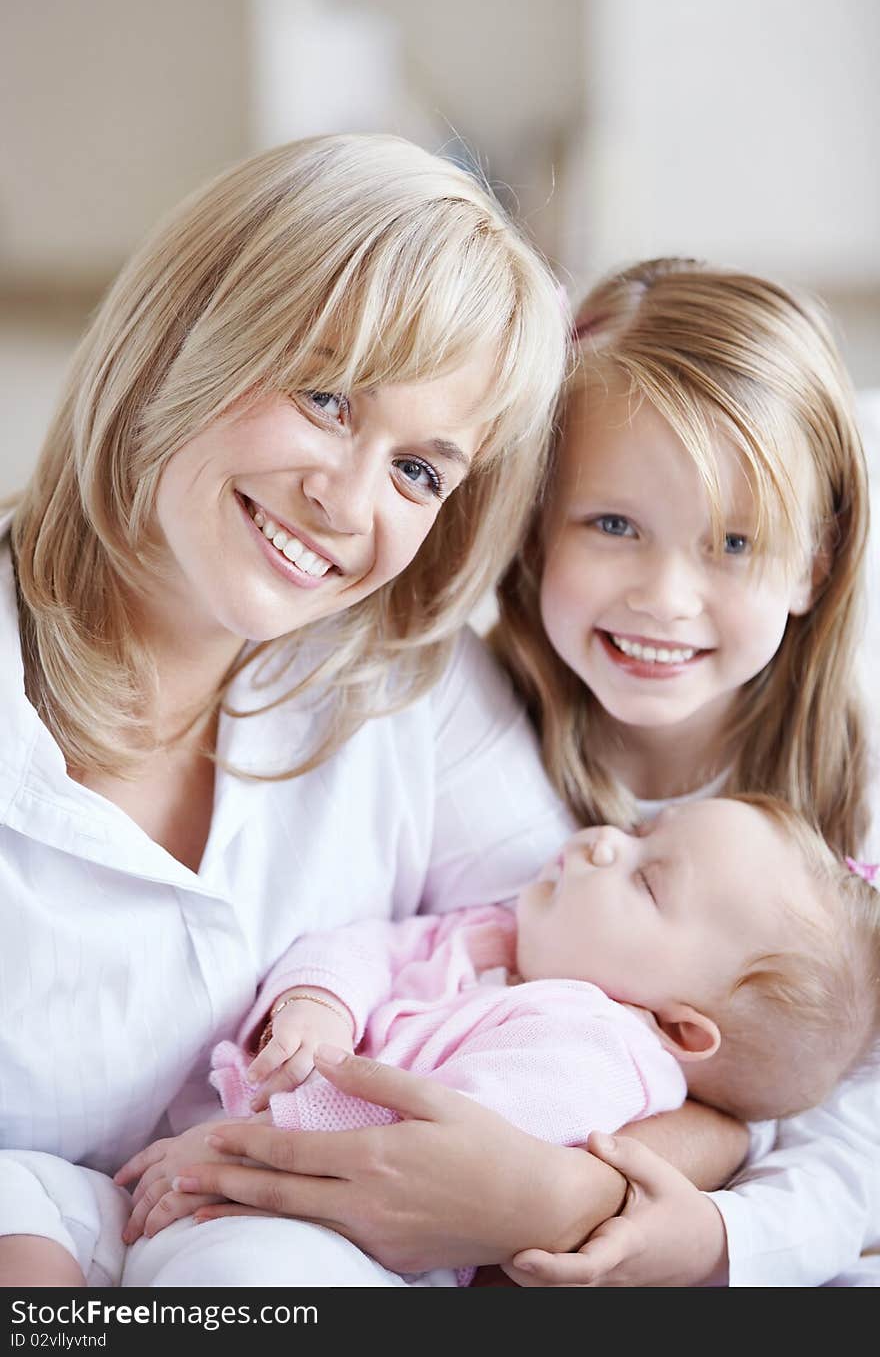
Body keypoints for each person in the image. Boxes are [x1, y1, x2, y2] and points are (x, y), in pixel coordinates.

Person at [167, 259, 880, 1288]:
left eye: (733, 542)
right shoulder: (458, 728)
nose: (665, 598)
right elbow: (391, 967)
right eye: (614, 525)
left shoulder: (848, 801)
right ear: (534, 528)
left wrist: (706, 1231)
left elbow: (856, 1138)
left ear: (812, 563)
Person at [0, 131, 584, 1288]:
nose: (346, 501)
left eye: (421, 470)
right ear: (188, 335)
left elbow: (648, 991)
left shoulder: (410, 687)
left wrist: (572, 1192)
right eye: (325, 397)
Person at [114, 795, 880, 1293]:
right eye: (642, 830)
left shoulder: (599, 1056)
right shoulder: (493, 938)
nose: (605, 844)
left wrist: (241, 1148)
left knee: (244, 1283)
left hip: (341, 1246)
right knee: (24, 1198)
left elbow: (426, 1139)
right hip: (209, 1177)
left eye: (646, 881)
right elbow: (372, 947)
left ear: (680, 1027)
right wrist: (321, 1003)